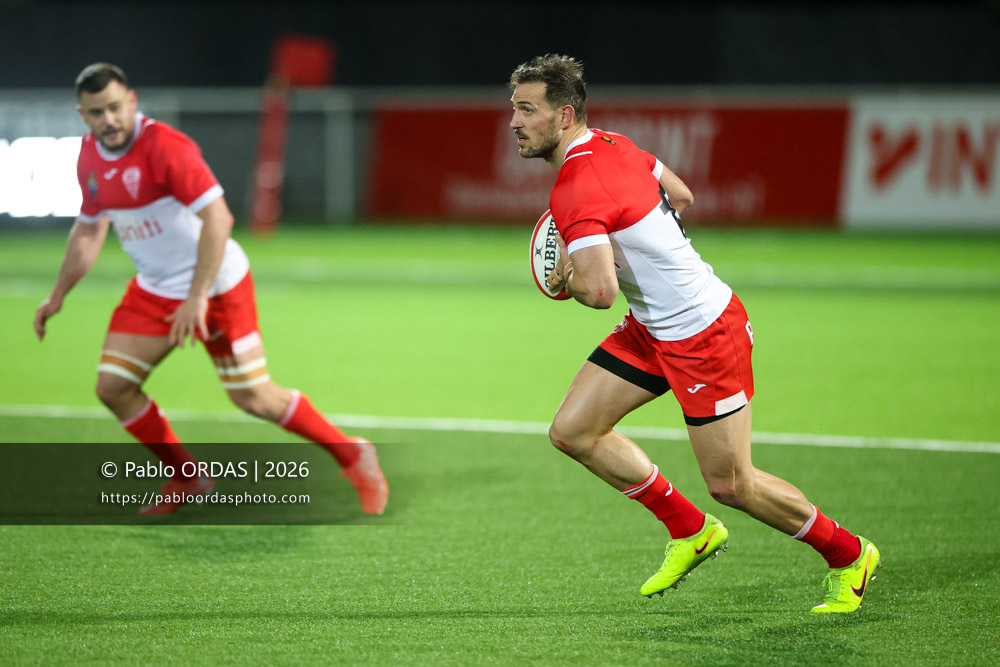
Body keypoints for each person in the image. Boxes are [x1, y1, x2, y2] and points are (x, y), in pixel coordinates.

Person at [508, 54, 880, 613]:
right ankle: (690, 530)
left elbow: (601, 292)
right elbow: (680, 197)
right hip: (651, 329)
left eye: (525, 109)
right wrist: (655, 257)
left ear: (563, 116)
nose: (513, 122)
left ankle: (850, 556)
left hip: (705, 335)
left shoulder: (578, 187)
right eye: (512, 108)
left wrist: (566, 282)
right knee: (574, 431)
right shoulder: (616, 144)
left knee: (734, 485)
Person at [33, 63, 388, 517]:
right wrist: (58, 295)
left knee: (253, 396)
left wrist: (197, 297)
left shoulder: (165, 147)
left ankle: (353, 454)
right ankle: (187, 476)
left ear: (133, 102)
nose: (110, 120)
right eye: (97, 112)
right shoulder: (88, 157)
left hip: (216, 284)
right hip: (155, 289)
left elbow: (218, 218)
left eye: (116, 108)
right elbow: (88, 229)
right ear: (82, 115)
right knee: (113, 387)